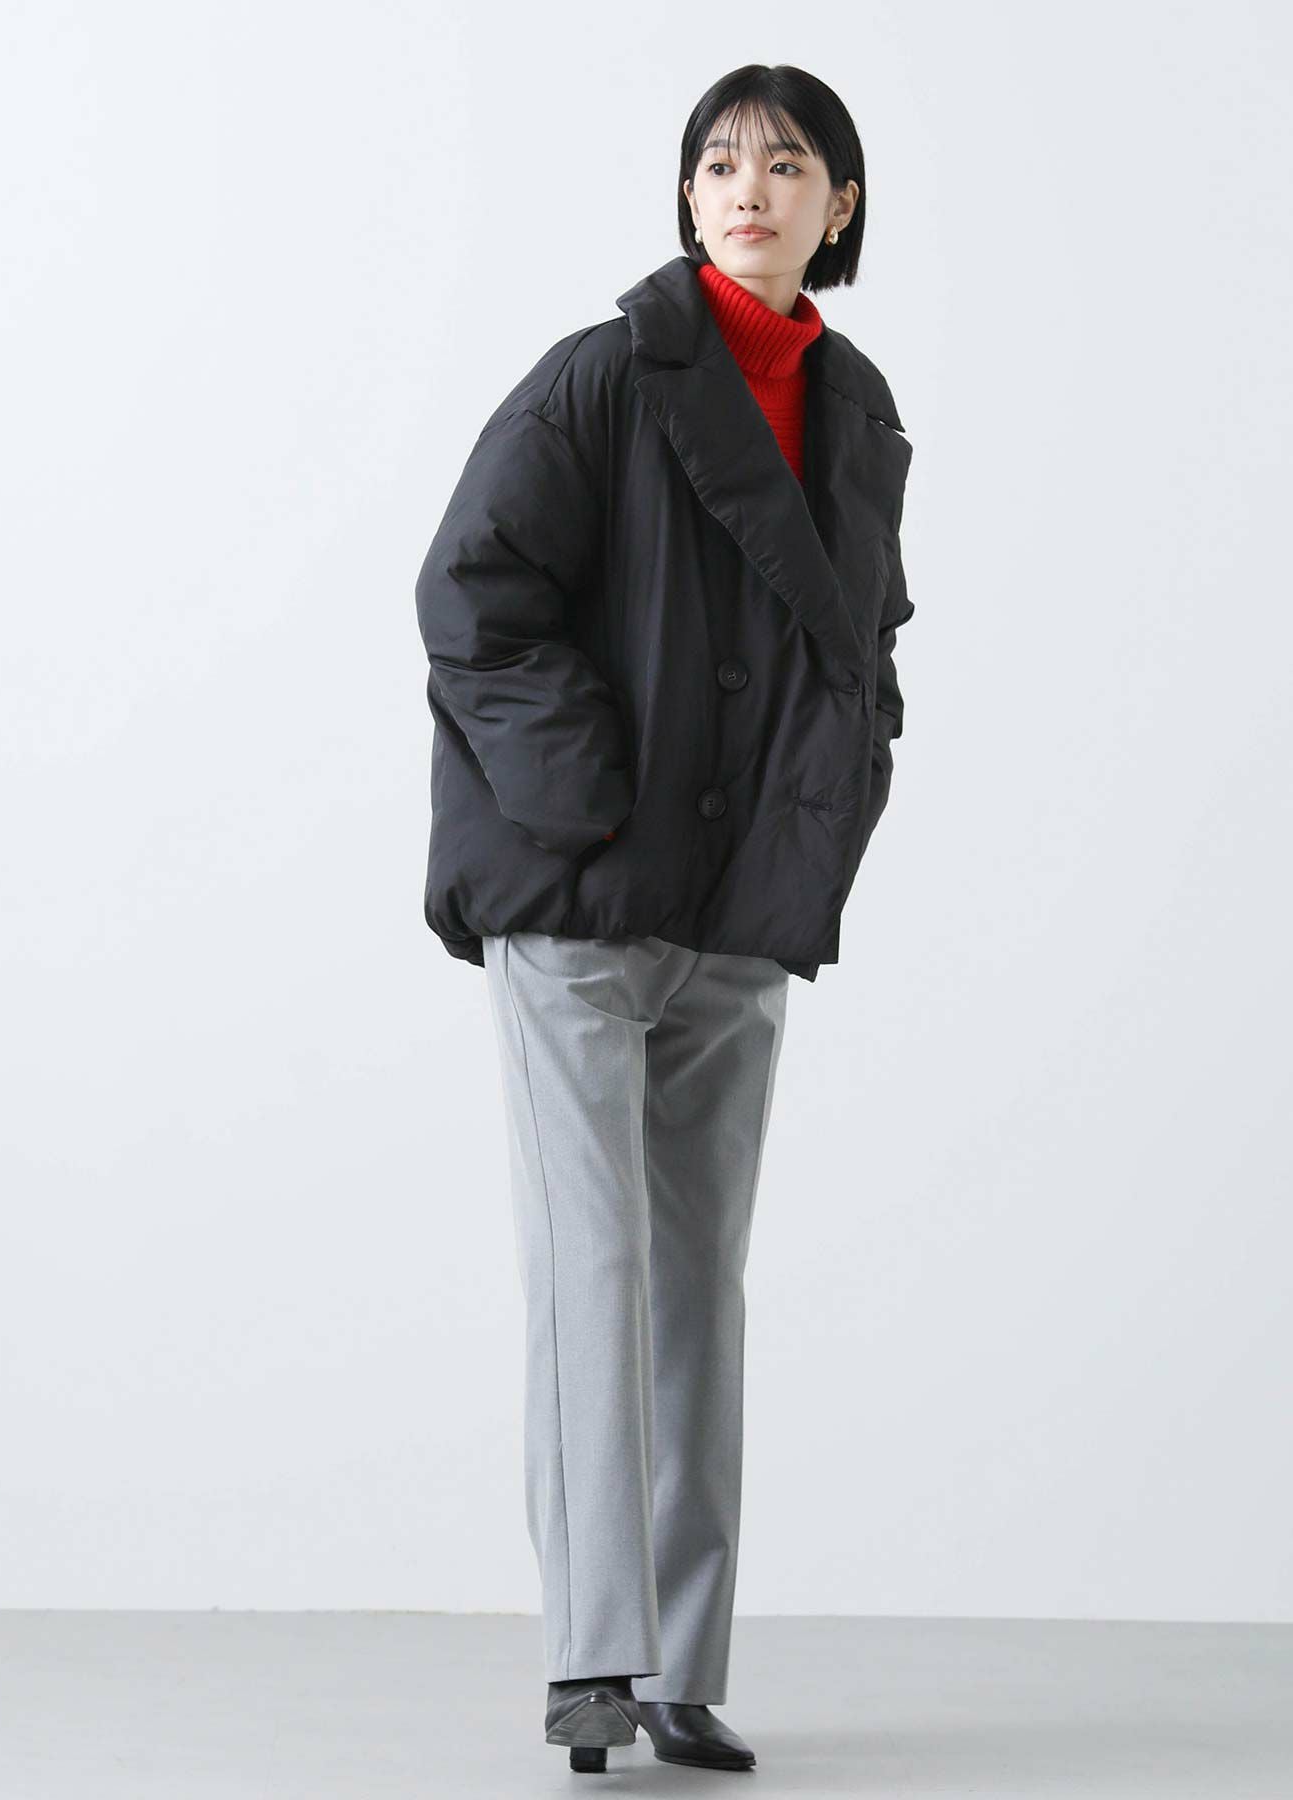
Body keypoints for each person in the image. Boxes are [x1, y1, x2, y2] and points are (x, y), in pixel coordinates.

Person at [414, 62, 917, 1775]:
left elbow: (865, 640)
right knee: (600, 1262)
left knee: (704, 1284)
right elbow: (473, 593)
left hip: (739, 910)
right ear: (687, 194)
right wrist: (588, 799)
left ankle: (681, 1668)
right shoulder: (606, 374)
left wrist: (836, 798)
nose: (748, 189)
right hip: (582, 899)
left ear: (840, 205)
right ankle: (592, 1659)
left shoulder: (858, 414)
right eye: (717, 162)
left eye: (787, 163)